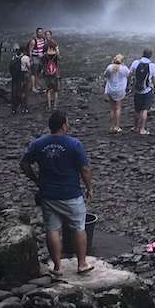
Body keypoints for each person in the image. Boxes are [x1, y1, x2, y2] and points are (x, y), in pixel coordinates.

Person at [22, 111, 94, 276]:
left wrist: (36, 180)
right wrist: (89, 187)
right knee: (78, 227)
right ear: (63, 126)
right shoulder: (74, 144)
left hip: (48, 194)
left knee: (52, 229)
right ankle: (82, 263)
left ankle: (57, 266)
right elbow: (84, 169)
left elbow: (24, 163)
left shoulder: (38, 144)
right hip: (71, 193)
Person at [130, 49, 155, 135]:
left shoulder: (135, 63)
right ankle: (141, 129)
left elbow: (129, 74)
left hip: (137, 90)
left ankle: (135, 127)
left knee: (137, 110)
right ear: (150, 56)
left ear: (143, 54)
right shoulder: (152, 65)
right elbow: (154, 79)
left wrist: (128, 85)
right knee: (144, 110)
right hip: (147, 90)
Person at [102, 54, 131, 133]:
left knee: (112, 108)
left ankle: (112, 127)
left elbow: (105, 75)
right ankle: (117, 126)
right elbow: (129, 75)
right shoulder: (124, 68)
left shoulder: (109, 67)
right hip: (120, 90)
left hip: (111, 89)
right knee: (118, 108)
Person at [41, 34, 62, 112]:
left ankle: (49, 106)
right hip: (55, 73)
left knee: (49, 90)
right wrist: (57, 51)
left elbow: (43, 63)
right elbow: (59, 58)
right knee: (56, 90)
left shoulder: (45, 55)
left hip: (47, 73)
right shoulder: (56, 55)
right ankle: (55, 106)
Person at [9, 43, 31, 113]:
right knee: (25, 91)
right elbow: (29, 66)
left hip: (15, 76)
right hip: (24, 75)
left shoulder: (14, 57)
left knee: (16, 91)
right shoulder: (25, 58)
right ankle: (24, 108)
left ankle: (14, 108)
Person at [29, 28, 48, 99]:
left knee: (39, 72)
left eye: (41, 32)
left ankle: (37, 86)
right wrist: (31, 59)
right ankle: (33, 88)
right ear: (36, 33)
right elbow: (30, 51)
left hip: (42, 58)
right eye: (39, 32)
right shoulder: (33, 41)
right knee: (34, 73)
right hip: (35, 58)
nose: (40, 33)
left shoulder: (43, 40)